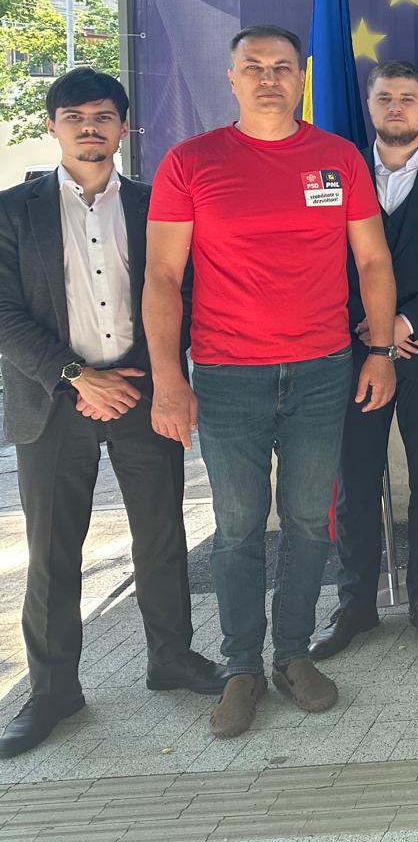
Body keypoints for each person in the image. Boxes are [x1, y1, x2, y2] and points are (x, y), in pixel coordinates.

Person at [146, 25, 397, 738]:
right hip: (227, 375)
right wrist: (169, 378)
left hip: (322, 370)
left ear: (300, 79)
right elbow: (162, 275)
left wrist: (380, 350)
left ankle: (292, 655)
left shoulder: (337, 158)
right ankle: (241, 669)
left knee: (311, 521)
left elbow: (373, 261)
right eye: (252, 67)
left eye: (282, 67)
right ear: (230, 78)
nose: (267, 78)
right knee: (237, 527)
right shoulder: (191, 162)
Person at [0, 70, 225, 758]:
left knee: (161, 535)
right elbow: (4, 314)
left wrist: (167, 378)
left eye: (102, 116)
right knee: (53, 550)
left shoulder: (158, 205)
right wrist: (76, 377)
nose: (89, 127)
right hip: (53, 401)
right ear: (53, 127)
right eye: (74, 116)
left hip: (142, 393)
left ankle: (172, 658)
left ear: (124, 128)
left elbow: (186, 293)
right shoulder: (13, 211)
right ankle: (53, 691)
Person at [312, 62, 418, 659]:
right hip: (354, 352)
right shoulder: (337, 174)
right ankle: (356, 603)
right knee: (355, 483)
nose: (395, 107)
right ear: (369, 105)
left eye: (407, 98)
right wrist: (370, 328)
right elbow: (317, 258)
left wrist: (403, 323)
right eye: (384, 97)